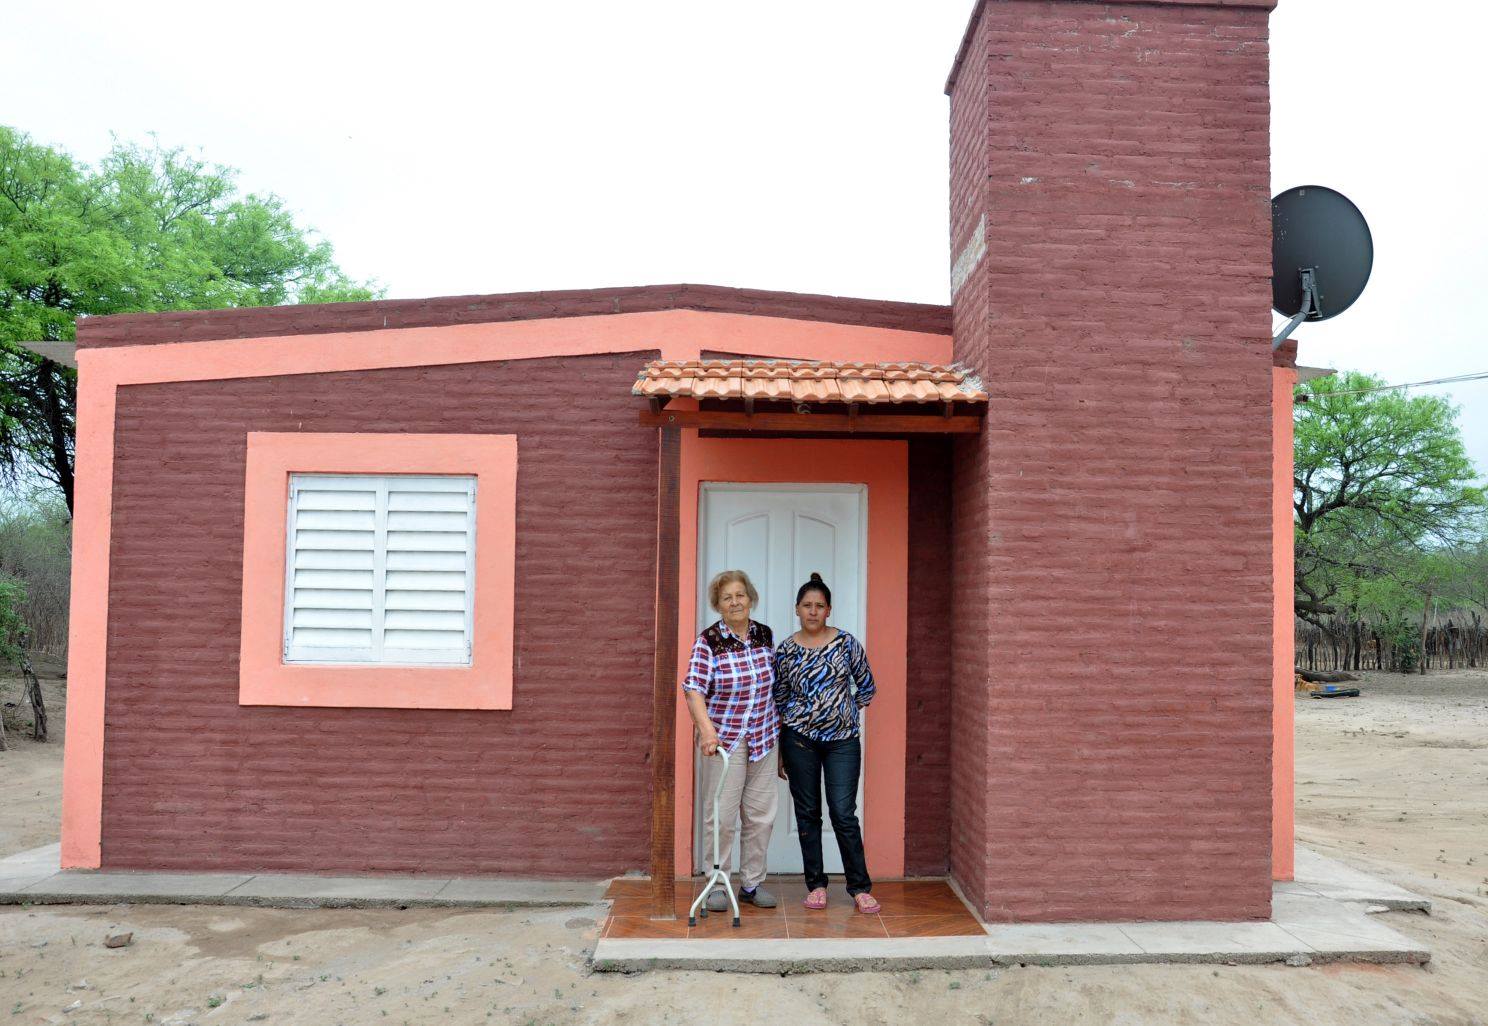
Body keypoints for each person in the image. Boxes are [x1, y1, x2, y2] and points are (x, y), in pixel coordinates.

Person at [773, 572, 880, 913]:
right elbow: (779, 698)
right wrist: (781, 748)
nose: (813, 611)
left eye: (819, 606)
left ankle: (859, 888)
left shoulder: (847, 644)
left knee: (843, 814)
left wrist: (842, 711)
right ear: (797, 609)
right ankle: (816, 885)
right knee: (807, 814)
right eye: (807, 605)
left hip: (842, 743)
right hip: (799, 742)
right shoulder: (786, 650)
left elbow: (867, 687)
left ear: (829, 610)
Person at [682, 569, 780, 911]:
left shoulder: (764, 635)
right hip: (725, 741)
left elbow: (773, 687)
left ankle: (752, 884)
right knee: (722, 817)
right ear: (718, 605)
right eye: (727, 598)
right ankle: (716, 883)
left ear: (750, 599)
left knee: (761, 816)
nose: (735, 602)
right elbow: (693, 689)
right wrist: (707, 731)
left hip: (764, 737)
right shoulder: (708, 641)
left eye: (740, 595)